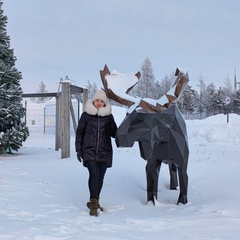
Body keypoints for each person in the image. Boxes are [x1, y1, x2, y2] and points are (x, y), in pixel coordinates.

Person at [75, 90, 117, 216]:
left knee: (100, 176)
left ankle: (96, 200)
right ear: (93, 101)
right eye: (97, 100)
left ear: (105, 103)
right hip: (89, 150)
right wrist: (78, 149)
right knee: (94, 173)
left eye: (101, 101)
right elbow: (79, 133)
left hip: (104, 151)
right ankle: (93, 203)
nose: (99, 103)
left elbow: (114, 134)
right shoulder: (86, 115)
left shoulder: (109, 117)